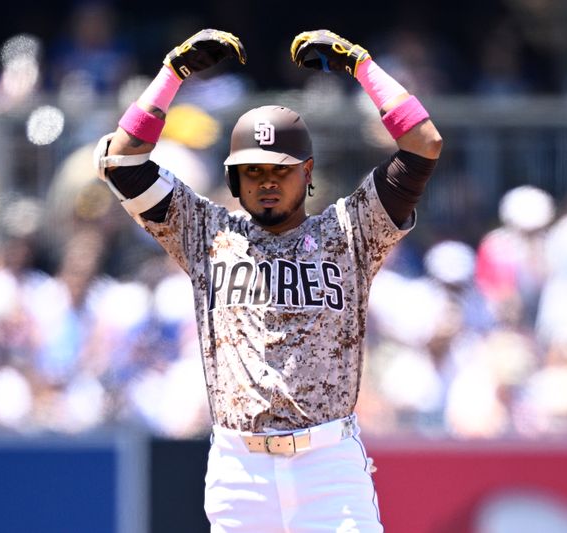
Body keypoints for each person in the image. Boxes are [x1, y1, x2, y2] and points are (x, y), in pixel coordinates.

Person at [95, 28, 442, 532]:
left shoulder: (351, 230)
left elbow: (422, 143)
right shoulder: (205, 232)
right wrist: (173, 75)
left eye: (280, 170)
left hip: (328, 467)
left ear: (308, 172)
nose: (267, 181)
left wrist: (362, 66)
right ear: (235, 177)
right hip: (241, 471)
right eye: (252, 171)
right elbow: (122, 160)